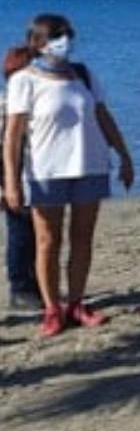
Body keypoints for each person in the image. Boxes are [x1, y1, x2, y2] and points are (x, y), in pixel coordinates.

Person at [3, 14, 134, 336]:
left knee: (82, 239)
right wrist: (10, 182)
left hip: (89, 165)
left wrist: (124, 155)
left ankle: (76, 303)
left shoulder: (84, 76)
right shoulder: (24, 80)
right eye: (55, 36)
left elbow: (103, 116)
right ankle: (51, 309)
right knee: (48, 241)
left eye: (67, 35)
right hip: (46, 171)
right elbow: (13, 136)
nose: (63, 41)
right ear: (38, 43)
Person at [3, 48, 40, 316]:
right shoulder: (5, 108)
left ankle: (36, 284)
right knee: (20, 235)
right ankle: (20, 288)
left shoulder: (37, 107)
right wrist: (7, 185)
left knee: (39, 235)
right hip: (13, 180)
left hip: (39, 178)